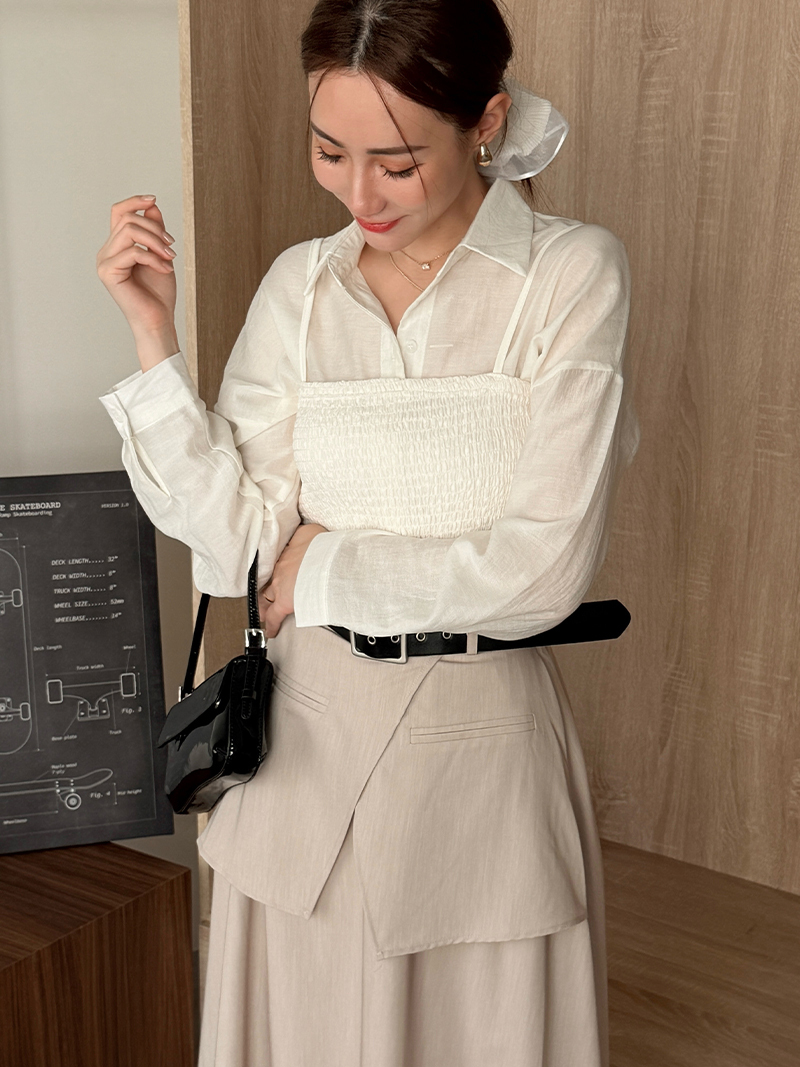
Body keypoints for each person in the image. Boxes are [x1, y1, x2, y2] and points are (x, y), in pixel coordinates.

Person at [96, 1, 640, 1063]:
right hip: (298, 753)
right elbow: (240, 544)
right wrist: (155, 340)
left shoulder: (571, 276)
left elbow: (544, 568)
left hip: (478, 761)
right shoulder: (300, 287)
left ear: (485, 122)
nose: (358, 195)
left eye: (396, 162)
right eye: (329, 151)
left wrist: (324, 561)